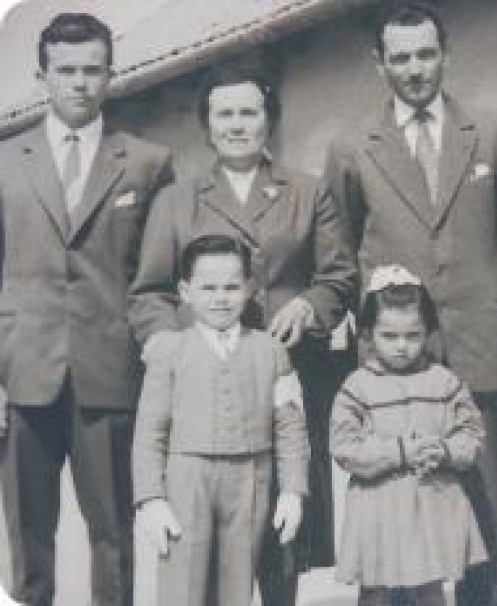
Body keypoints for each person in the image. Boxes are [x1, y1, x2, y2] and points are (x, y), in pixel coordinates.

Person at [128, 65, 356, 604]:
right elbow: (149, 292)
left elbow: (339, 275)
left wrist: (308, 304)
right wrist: (167, 345)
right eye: (223, 114)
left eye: (249, 112)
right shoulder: (176, 200)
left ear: (268, 121)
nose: (237, 124)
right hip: (202, 391)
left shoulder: (307, 191)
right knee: (198, 552)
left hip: (287, 378)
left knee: (283, 532)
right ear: (206, 125)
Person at [324, 4, 497, 602]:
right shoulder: (351, 145)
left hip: (478, 342)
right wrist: (387, 325)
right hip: (391, 353)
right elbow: (344, 250)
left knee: (480, 499)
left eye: (425, 53)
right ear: (379, 63)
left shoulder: (492, 132)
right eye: (400, 57)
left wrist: (482, 301)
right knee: (394, 504)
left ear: (445, 53)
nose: (414, 69)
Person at [0, 13, 172, 606]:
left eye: (92, 70)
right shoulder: (4, 162)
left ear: (110, 74)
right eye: (66, 71)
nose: (80, 83)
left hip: (110, 373)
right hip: (24, 374)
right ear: (41, 77)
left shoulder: (147, 163)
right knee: (28, 537)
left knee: (114, 536)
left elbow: (156, 280)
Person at [132, 234, 309, 605]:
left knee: (237, 584)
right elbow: (150, 431)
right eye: (208, 287)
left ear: (249, 288)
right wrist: (150, 498)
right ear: (185, 291)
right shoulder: (169, 351)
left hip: (251, 479)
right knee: (183, 583)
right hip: (187, 478)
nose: (220, 297)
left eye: (231, 287)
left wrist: (293, 491)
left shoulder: (272, 352)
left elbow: (290, 428)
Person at [331, 264, 486, 606]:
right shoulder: (357, 387)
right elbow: (344, 448)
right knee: (376, 589)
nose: (402, 346)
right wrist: (398, 452)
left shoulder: (444, 382)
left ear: (427, 332)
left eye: (413, 336)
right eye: (389, 336)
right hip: (379, 506)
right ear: (369, 335)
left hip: (430, 504)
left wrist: (445, 450)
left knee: (429, 587)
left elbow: (472, 435)